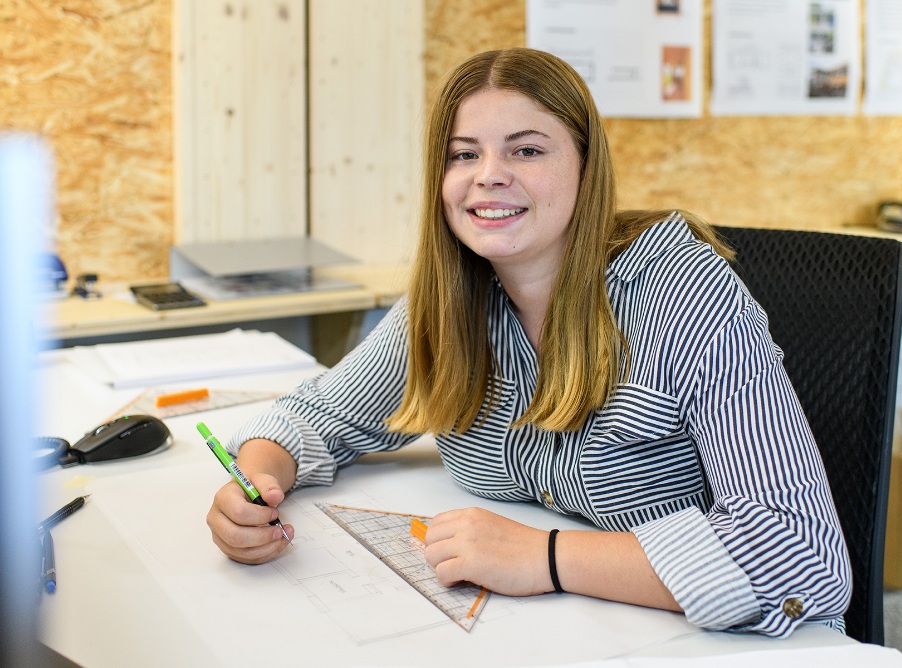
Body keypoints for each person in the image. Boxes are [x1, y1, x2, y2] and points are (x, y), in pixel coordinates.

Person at [206, 47, 851, 638]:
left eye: (527, 150)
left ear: (586, 168)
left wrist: (544, 555)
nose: (488, 176)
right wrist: (258, 481)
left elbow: (804, 555)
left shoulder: (682, 292)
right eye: (464, 154)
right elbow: (317, 415)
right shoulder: (458, 293)